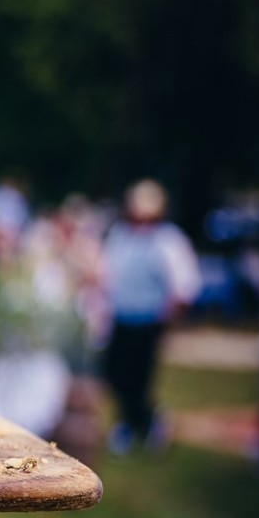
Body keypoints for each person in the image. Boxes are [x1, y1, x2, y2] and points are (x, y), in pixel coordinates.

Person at [100, 179, 201, 454]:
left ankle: (138, 425)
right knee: (115, 373)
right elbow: (108, 274)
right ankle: (140, 420)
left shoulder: (167, 239)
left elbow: (184, 284)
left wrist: (169, 317)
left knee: (139, 377)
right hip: (122, 317)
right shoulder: (121, 235)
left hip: (148, 320)